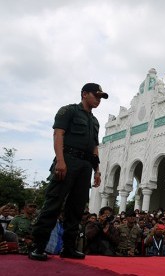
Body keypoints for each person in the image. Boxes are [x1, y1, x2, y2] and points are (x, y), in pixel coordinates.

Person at [29, 83, 107, 261]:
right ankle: (38, 246)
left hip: (86, 165)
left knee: (77, 208)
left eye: (100, 97)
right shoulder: (68, 111)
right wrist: (61, 160)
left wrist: (97, 170)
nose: (98, 100)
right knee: (53, 203)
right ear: (84, 94)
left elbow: (95, 147)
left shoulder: (94, 121)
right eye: (96, 96)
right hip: (68, 160)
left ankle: (69, 247)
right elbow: (58, 134)